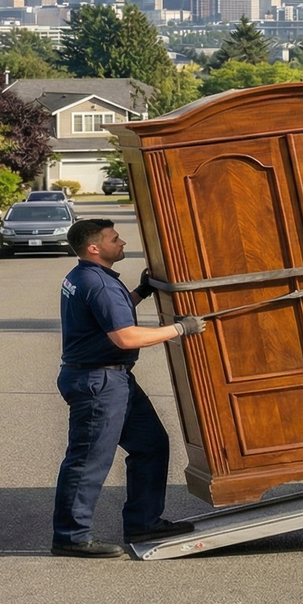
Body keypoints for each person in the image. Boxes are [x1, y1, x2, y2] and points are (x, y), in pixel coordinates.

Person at [51, 218, 208, 559]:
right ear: (95, 248)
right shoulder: (100, 284)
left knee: (151, 444)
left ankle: (144, 522)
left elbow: (106, 317)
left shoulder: (84, 276)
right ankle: (70, 537)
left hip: (112, 377)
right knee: (88, 460)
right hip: (99, 382)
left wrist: (141, 292)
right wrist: (181, 329)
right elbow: (124, 336)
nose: (122, 242)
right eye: (114, 238)